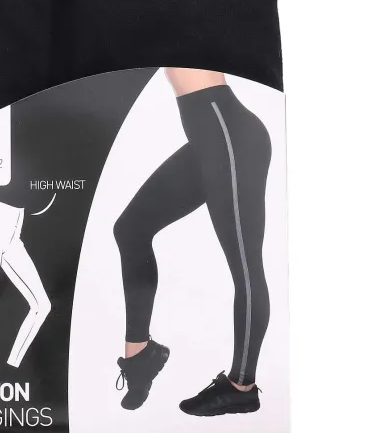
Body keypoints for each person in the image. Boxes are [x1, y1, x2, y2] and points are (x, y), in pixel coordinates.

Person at [114, 68, 271, 417]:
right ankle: (140, 355)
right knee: (130, 230)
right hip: (208, 140)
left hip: (231, 136)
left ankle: (241, 386)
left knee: (246, 269)